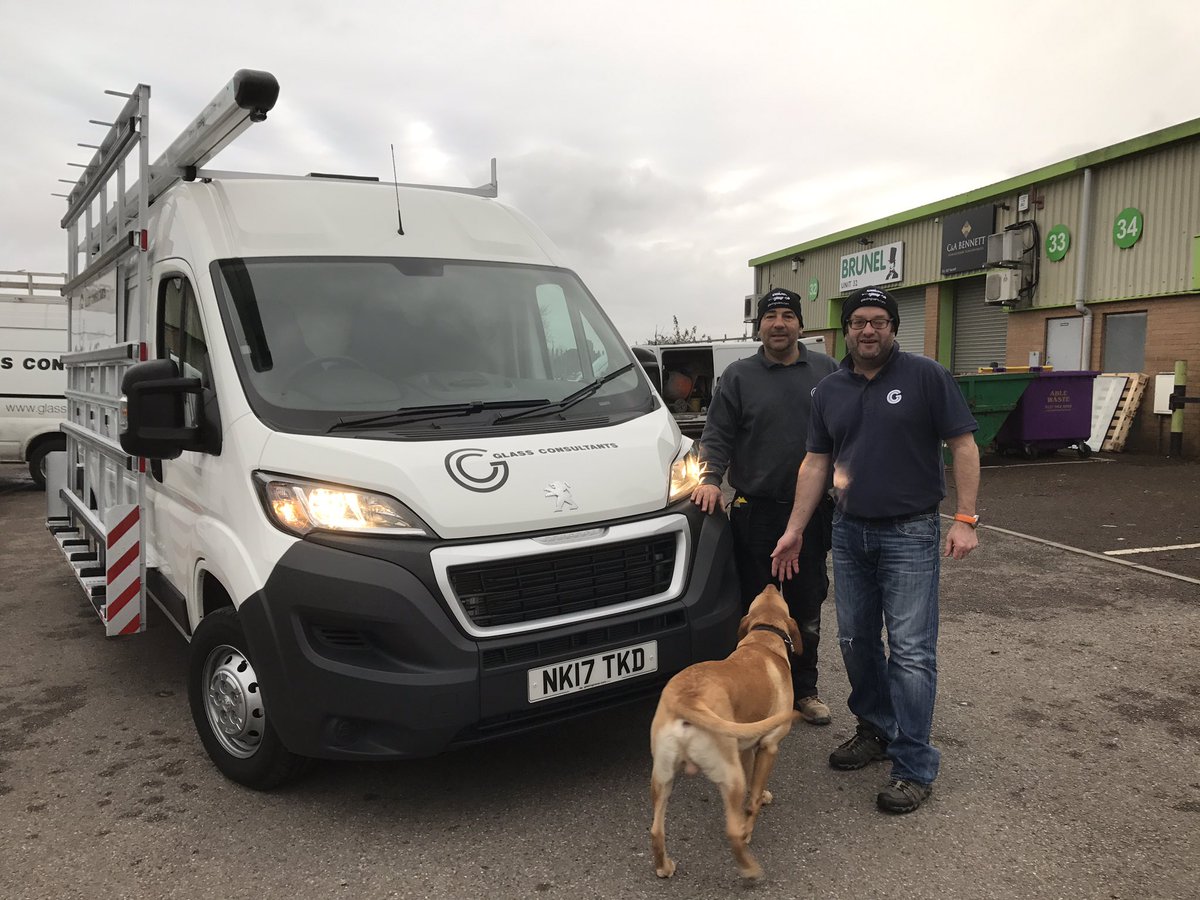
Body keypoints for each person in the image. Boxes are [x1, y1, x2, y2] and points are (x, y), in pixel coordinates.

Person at [770, 285, 981, 814]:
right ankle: (876, 730)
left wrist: (965, 519)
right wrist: (796, 527)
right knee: (855, 640)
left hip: (910, 531)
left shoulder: (926, 376)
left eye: (879, 321)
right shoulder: (830, 390)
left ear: (893, 328)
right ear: (845, 330)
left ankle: (913, 765)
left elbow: (963, 445)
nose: (869, 330)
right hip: (849, 530)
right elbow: (817, 462)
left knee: (910, 651)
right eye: (859, 321)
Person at [691, 287, 839, 725]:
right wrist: (710, 480)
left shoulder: (827, 371)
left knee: (806, 603)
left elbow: (848, 430)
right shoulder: (738, 376)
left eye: (787, 316)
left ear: (800, 325)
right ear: (759, 326)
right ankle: (752, 690)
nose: (779, 323)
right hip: (754, 513)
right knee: (755, 608)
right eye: (771, 316)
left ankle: (803, 690)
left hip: (811, 513)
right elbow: (717, 434)